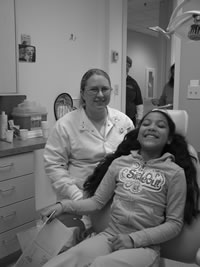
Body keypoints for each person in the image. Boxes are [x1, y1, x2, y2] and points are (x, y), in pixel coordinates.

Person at [41, 109, 199, 267]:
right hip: (110, 236)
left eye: (160, 125)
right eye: (146, 123)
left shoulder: (175, 173)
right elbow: (96, 202)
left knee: (101, 265)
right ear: (138, 134)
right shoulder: (120, 163)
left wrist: (134, 239)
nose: (152, 127)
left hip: (144, 248)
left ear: (169, 138)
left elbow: (174, 224)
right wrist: (63, 206)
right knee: (64, 261)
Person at [43, 68, 134, 230]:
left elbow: (134, 159)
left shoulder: (124, 122)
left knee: (112, 241)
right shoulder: (65, 125)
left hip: (117, 198)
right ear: (83, 93)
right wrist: (77, 197)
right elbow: (54, 166)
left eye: (105, 89)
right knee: (72, 243)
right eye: (93, 89)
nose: (100, 94)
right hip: (77, 195)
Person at [126, 56, 143, 127]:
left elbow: (139, 101)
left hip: (131, 117)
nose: (127, 67)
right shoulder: (115, 80)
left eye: (128, 65)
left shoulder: (133, 83)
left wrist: (139, 118)